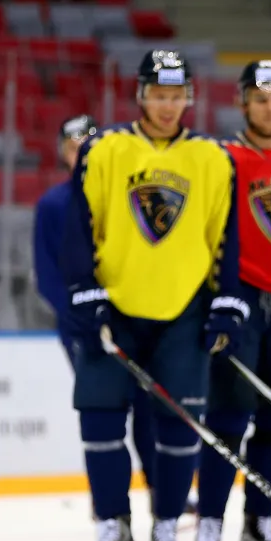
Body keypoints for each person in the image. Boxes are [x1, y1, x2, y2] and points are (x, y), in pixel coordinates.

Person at [62, 50, 247, 541]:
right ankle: (112, 528)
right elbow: (81, 225)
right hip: (114, 308)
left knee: (178, 425)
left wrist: (227, 303)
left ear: (189, 97)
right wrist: (83, 291)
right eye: (159, 94)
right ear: (140, 95)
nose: (168, 106)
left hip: (182, 313)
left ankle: (166, 525)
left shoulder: (213, 159)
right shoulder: (105, 149)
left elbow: (224, 238)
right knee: (98, 418)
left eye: (177, 95)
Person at [191, 60, 271, 541]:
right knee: (228, 416)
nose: (269, 107)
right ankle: (210, 521)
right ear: (242, 103)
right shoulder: (222, 157)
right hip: (239, 299)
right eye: (259, 99)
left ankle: (260, 524)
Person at [33, 115, 158, 497]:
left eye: (90, 147)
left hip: (133, 322)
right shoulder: (54, 204)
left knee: (149, 408)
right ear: (63, 154)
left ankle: (159, 488)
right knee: (103, 411)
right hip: (83, 329)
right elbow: (49, 274)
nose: (83, 155)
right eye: (74, 149)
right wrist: (81, 316)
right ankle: (106, 499)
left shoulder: (124, 194)